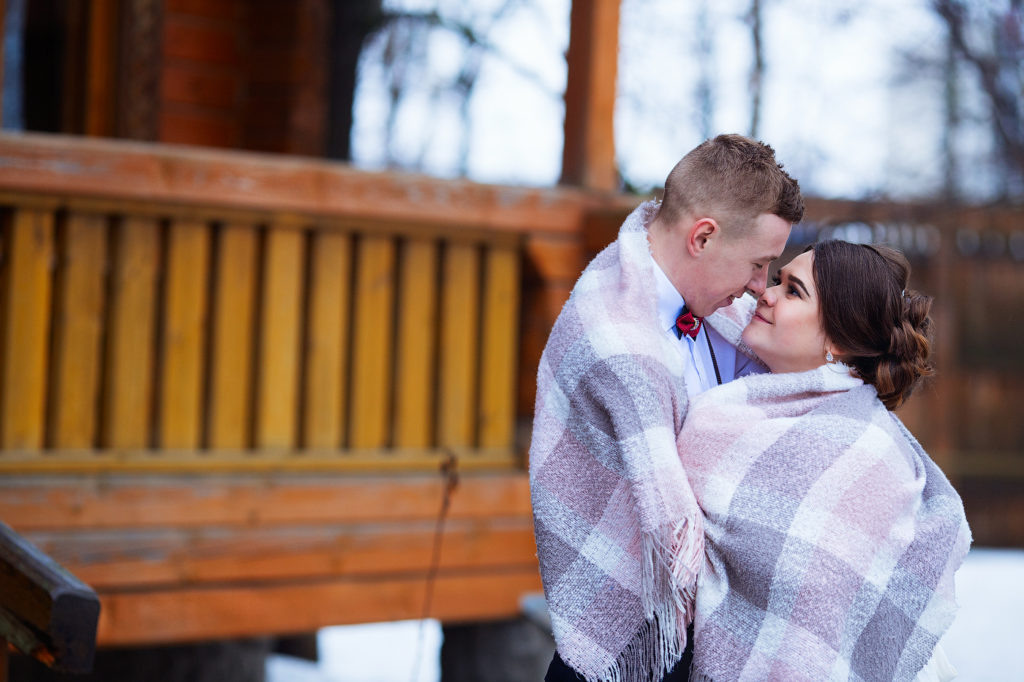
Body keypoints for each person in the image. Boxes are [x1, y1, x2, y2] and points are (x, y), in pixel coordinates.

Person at [529, 134, 804, 682]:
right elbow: (675, 530)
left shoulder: (717, 315)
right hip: (635, 639)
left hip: (698, 637)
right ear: (703, 237)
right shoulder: (613, 339)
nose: (760, 286)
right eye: (758, 263)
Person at [678, 240, 971, 681]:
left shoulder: (862, 445)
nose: (767, 293)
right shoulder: (741, 398)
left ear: (838, 339)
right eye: (777, 280)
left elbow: (818, 592)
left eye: (793, 291)